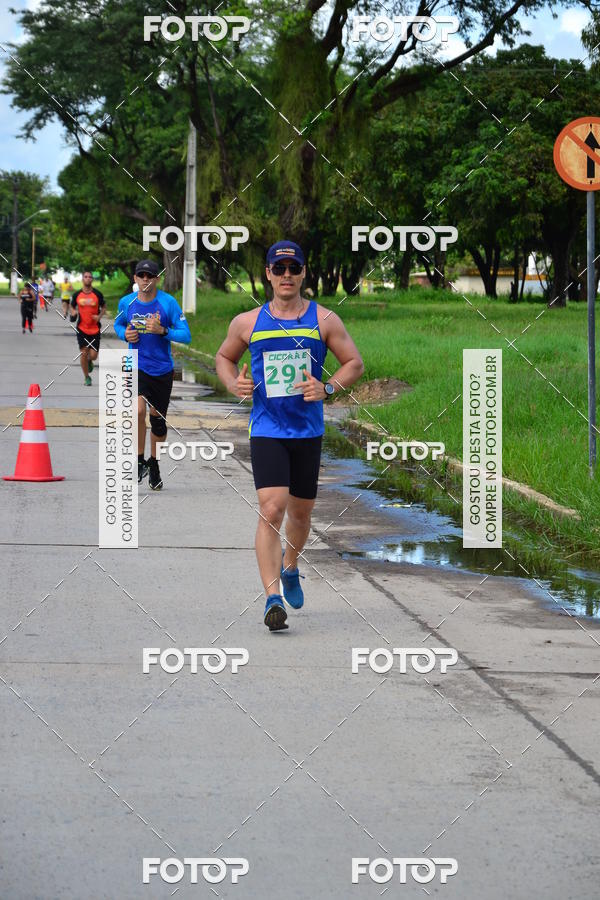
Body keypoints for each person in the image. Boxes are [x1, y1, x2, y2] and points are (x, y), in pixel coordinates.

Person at [216, 240, 364, 632]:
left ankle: (291, 565)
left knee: (300, 514)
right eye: (278, 269)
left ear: (303, 273)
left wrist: (327, 388)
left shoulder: (324, 319)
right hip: (266, 428)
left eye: (293, 269)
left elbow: (354, 363)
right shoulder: (247, 322)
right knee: (272, 508)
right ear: (267, 273)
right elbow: (223, 357)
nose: (286, 276)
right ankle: (271, 597)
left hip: (307, 430)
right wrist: (234, 383)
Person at [114, 259, 191, 491]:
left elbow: (186, 335)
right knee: (137, 410)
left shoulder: (168, 304)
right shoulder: (126, 303)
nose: (146, 279)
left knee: (157, 420)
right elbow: (118, 325)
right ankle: (139, 460)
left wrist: (163, 331)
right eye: (141, 275)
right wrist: (125, 334)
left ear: (157, 279)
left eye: (150, 276)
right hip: (135, 364)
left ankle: (154, 463)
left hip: (162, 369)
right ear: (135, 279)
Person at [70, 270, 105, 386]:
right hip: (82, 328)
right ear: (82, 279)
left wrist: (99, 316)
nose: (88, 278)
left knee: (94, 356)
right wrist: (74, 312)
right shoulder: (77, 294)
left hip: (94, 329)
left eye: (90, 277)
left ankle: (90, 361)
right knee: (83, 353)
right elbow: (72, 305)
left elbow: (104, 307)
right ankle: (87, 377)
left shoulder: (98, 294)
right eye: (86, 277)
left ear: (92, 280)